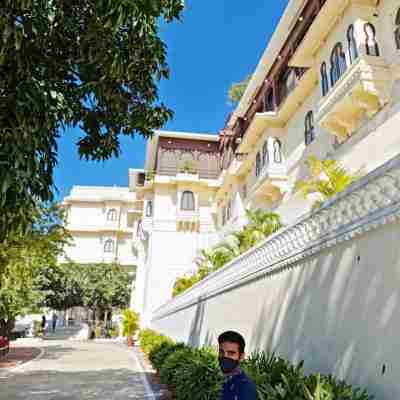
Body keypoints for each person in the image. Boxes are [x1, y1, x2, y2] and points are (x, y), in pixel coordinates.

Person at [218, 331, 257, 400]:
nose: (225, 356)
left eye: (231, 353)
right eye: (221, 352)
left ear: (241, 356)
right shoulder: (218, 380)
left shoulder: (245, 387)